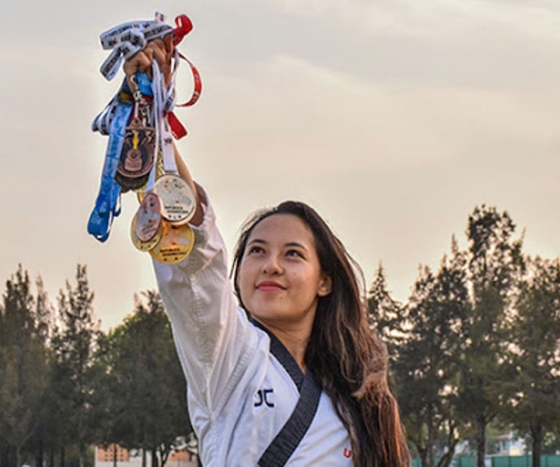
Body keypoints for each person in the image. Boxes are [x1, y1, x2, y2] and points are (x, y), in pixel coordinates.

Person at [123, 39, 411, 467]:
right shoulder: (227, 355)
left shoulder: (355, 406)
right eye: (256, 251)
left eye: (293, 254)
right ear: (238, 273)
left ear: (325, 280)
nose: (270, 265)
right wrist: (151, 113)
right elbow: (196, 261)